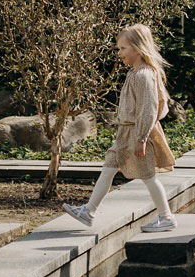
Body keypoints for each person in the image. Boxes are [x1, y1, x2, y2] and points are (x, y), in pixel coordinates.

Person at [65, 23, 177, 232]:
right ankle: (89, 211)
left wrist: (142, 138)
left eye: (123, 49)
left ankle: (166, 216)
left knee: (147, 176)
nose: (119, 53)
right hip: (125, 132)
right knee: (108, 169)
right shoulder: (135, 73)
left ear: (138, 48)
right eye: (119, 49)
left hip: (137, 132)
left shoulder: (144, 75)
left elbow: (149, 108)